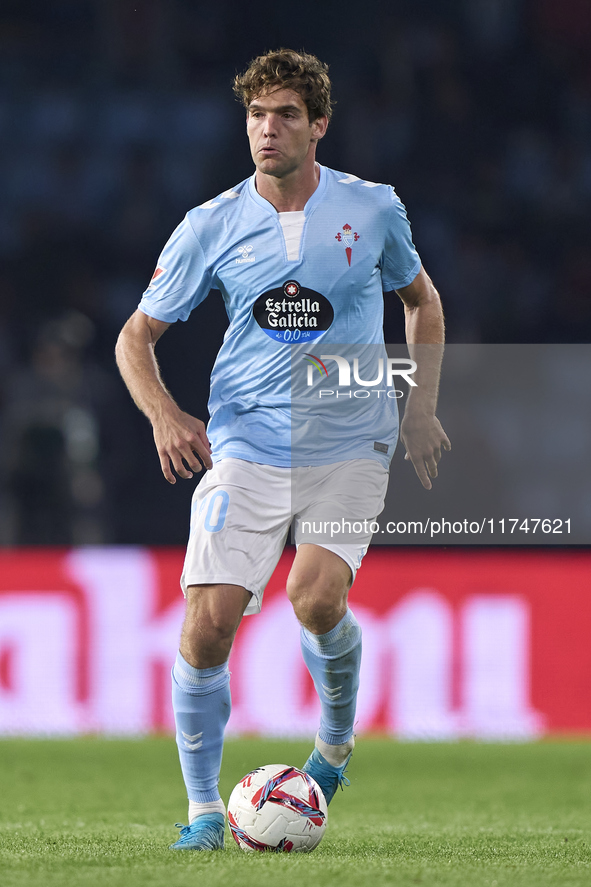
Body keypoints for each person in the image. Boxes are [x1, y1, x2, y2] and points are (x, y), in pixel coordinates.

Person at [115, 48, 450, 851]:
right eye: (257, 115)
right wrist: (164, 412)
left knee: (315, 596)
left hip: (349, 438)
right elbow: (136, 335)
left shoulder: (372, 209)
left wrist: (420, 407)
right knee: (207, 624)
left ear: (319, 125)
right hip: (247, 441)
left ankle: (332, 749)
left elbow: (423, 303)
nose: (268, 129)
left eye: (286, 114)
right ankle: (202, 812)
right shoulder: (210, 224)